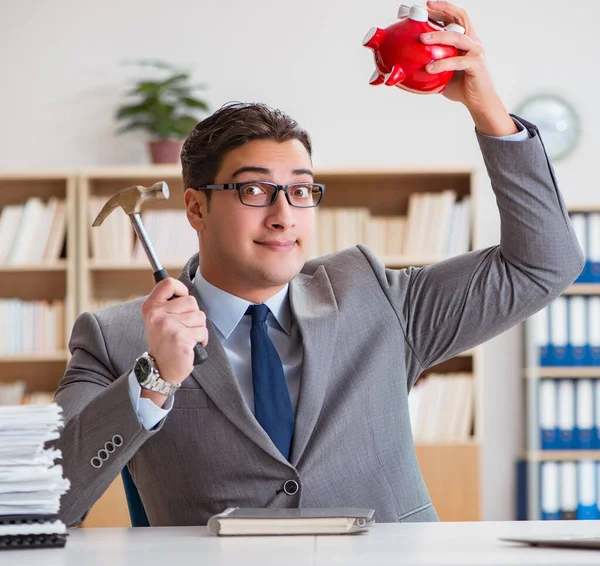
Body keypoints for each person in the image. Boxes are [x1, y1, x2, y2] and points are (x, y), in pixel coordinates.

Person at [55, 1, 583, 527]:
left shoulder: (376, 297)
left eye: (302, 191)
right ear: (197, 207)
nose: (285, 217)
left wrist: (489, 111)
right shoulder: (114, 338)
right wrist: (154, 380)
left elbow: (545, 264)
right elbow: (51, 502)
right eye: (255, 190)